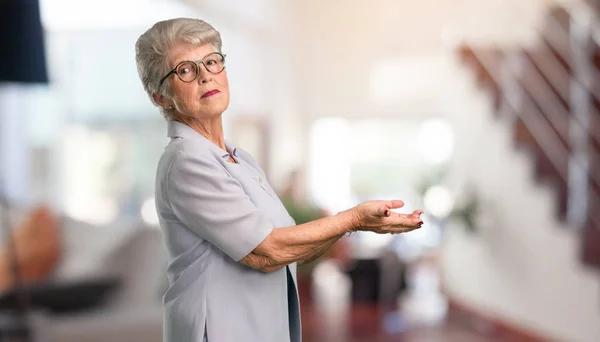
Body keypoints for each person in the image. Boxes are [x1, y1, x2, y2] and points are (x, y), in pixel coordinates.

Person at [135, 17, 424, 342]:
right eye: (186, 70)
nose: (205, 76)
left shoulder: (240, 159)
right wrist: (352, 219)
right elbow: (266, 252)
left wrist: (350, 226)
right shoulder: (187, 161)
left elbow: (292, 247)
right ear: (161, 96)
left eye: (212, 61)